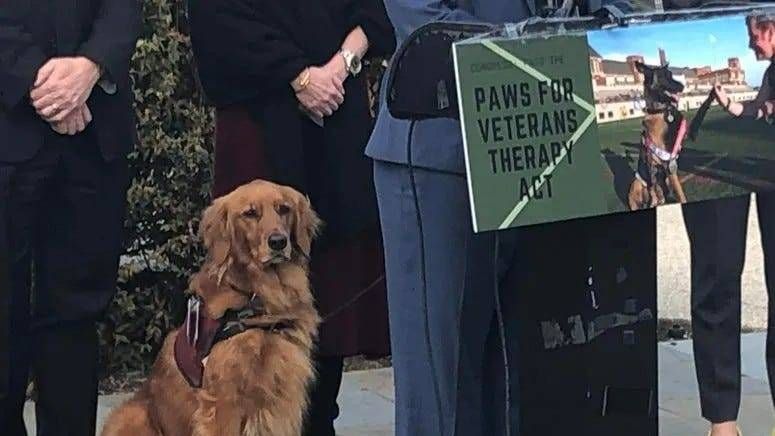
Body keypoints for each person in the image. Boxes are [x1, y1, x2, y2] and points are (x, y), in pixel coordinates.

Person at [366, 0, 632, 434]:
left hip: (541, 147)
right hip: (441, 153)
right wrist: (534, 45)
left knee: (520, 376)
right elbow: (421, 16)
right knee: (442, 386)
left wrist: (610, 22)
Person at [186, 1, 396, 434]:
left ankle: (319, 421)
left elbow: (374, 13)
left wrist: (340, 66)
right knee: (249, 294)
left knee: (332, 293)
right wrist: (300, 77)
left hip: (335, 118)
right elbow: (218, 23)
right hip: (258, 124)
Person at [0, 0, 141, 434]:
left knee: (75, 318)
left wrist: (90, 66)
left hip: (93, 135)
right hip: (8, 125)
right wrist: (36, 79)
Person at [681, 12, 775, 436]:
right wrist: (726, 103)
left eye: (753, 37)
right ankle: (722, 423)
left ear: (769, 29)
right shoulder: (768, 75)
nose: (749, 46)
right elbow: (753, 110)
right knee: (717, 270)